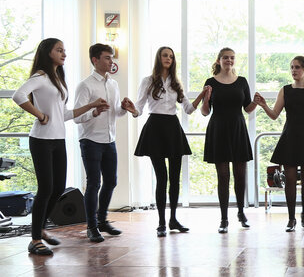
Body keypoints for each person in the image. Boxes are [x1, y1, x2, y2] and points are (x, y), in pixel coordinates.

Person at [12, 38, 107, 255]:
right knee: (45, 188)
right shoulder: (41, 76)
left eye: (65, 50)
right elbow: (18, 96)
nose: (64, 53)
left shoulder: (57, 79)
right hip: (41, 139)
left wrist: (91, 106)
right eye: (59, 50)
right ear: (48, 53)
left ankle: (41, 229)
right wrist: (39, 114)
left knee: (57, 188)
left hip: (58, 139)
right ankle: (35, 240)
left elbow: (64, 114)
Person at [254, 56, 304, 232]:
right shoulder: (285, 90)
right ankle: (291, 218)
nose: (294, 70)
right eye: (292, 67)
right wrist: (263, 106)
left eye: (297, 67)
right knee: (289, 180)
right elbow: (275, 114)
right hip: (289, 137)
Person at [130, 46, 206, 237]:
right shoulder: (147, 81)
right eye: (165, 55)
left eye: (171, 57)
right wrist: (131, 109)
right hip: (155, 127)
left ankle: (173, 219)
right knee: (161, 178)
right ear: (159, 58)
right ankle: (161, 222)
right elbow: (139, 108)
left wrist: (202, 96)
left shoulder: (176, 83)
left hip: (172, 129)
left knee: (174, 178)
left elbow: (188, 109)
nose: (168, 59)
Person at [73, 43, 136, 242]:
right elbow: (76, 117)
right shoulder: (85, 85)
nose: (111, 61)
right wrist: (93, 111)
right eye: (107, 57)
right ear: (95, 60)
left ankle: (102, 221)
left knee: (111, 182)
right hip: (90, 140)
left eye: (112, 57)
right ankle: (91, 227)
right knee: (94, 183)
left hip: (110, 140)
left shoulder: (113, 84)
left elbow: (115, 112)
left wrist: (125, 108)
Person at [201, 48, 258, 234]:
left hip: (238, 129)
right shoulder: (210, 82)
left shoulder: (242, 81)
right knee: (223, 176)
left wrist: (256, 102)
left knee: (240, 175)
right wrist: (205, 99)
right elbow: (204, 111)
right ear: (218, 60)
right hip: (218, 129)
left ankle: (241, 212)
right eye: (225, 57)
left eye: (232, 57)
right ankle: (224, 218)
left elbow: (247, 108)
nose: (229, 60)